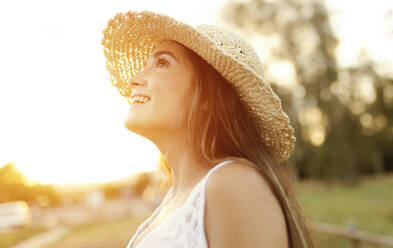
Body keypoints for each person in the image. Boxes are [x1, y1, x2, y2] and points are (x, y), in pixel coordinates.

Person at [101, 10, 318, 248]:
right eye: (145, 65)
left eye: (162, 63)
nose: (135, 78)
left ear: (208, 97)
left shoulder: (234, 185)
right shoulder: (172, 201)